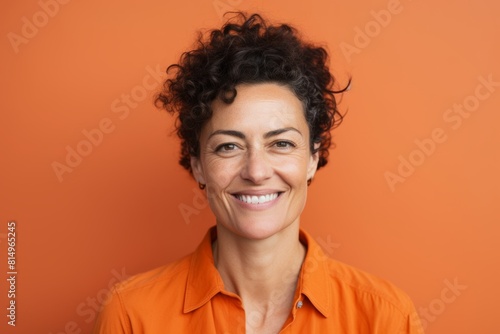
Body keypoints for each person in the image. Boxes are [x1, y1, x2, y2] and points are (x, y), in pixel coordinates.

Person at [93, 12, 423, 334]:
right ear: (197, 164)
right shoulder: (131, 315)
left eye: (280, 143)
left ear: (312, 157)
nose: (256, 171)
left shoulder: (385, 317)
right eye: (228, 146)